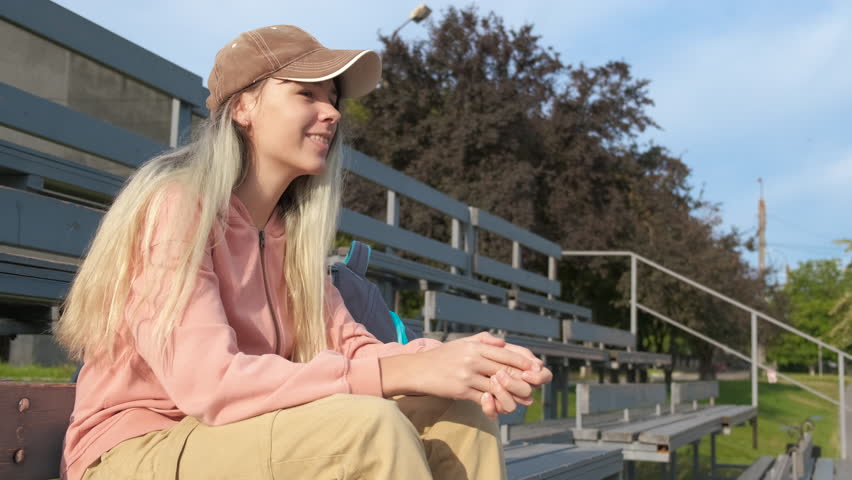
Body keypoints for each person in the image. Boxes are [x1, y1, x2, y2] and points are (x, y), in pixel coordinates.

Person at [54, 25, 552, 480]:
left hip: (236, 435)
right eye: (306, 93)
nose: (332, 112)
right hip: (137, 450)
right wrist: (400, 372)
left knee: (457, 412)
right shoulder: (180, 208)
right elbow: (211, 384)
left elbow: (356, 349)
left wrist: (469, 361)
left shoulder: (293, 240)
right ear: (244, 107)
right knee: (369, 428)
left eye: (333, 98)